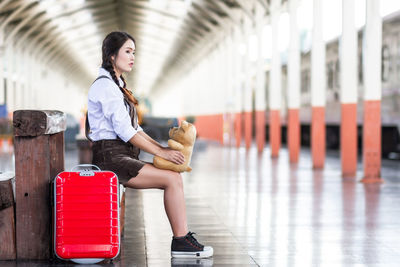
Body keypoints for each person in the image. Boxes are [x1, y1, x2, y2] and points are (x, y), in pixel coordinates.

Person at [86, 31, 213, 259]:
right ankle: (181, 241)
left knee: (173, 177)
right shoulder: (105, 86)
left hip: (122, 156)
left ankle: (182, 240)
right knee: (172, 178)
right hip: (111, 159)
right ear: (112, 56)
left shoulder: (117, 85)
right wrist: (161, 151)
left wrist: (163, 149)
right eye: (127, 51)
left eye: (134, 52)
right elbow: (126, 132)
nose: (132, 56)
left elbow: (136, 129)